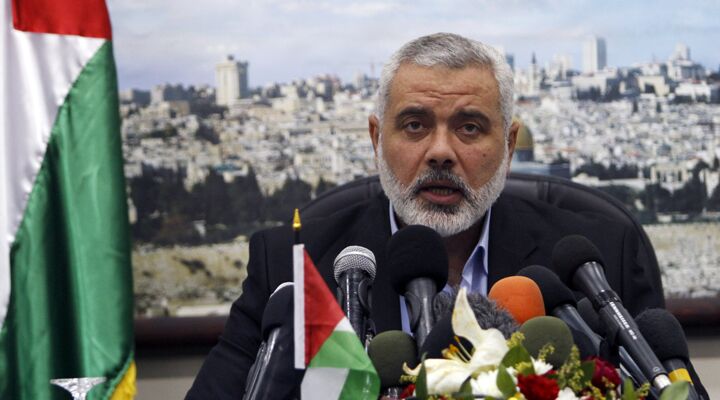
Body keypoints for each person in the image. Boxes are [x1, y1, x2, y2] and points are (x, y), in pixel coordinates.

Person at [186, 33, 665, 399]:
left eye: (469, 128)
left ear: (509, 146)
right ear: (377, 140)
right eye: (415, 125)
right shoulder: (293, 264)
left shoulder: (600, 259)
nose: (440, 152)